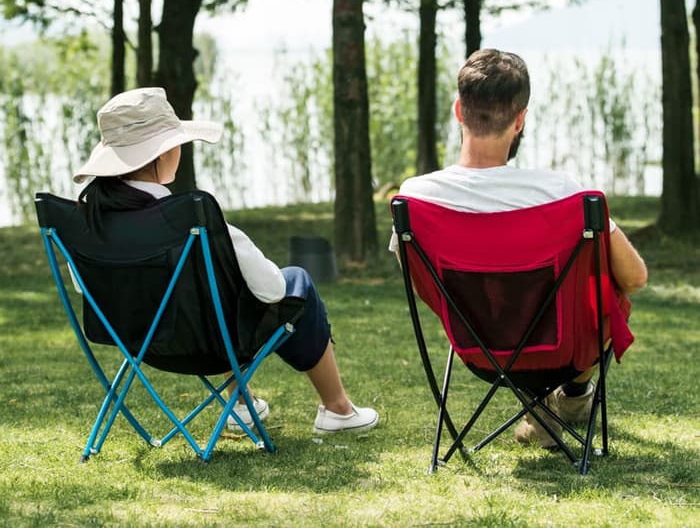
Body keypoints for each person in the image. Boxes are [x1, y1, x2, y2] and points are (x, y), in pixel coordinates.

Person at [73, 86, 378, 435]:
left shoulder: (84, 221)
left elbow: (84, 286)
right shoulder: (191, 221)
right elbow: (273, 289)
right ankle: (338, 409)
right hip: (211, 344)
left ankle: (242, 404)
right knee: (295, 283)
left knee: (212, 299)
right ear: (162, 153)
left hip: (137, 344)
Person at [389, 48, 647, 448]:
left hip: (478, 350)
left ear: (459, 111)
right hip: (564, 352)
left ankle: (540, 410)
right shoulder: (563, 195)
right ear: (520, 119)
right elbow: (635, 277)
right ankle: (574, 395)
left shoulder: (416, 199)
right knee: (608, 290)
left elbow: (423, 285)